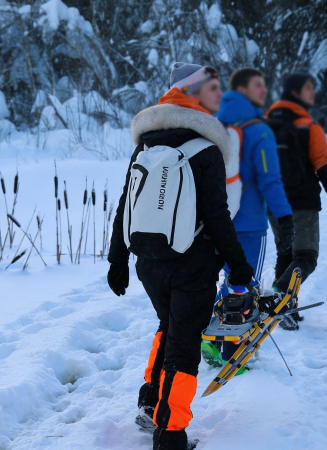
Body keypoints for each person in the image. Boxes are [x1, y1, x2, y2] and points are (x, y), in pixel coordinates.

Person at [107, 62, 255, 450]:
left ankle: (150, 403)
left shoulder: (146, 145)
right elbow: (218, 219)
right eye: (211, 88)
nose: (217, 95)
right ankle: (170, 434)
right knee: (184, 346)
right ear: (192, 92)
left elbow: (125, 206)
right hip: (192, 264)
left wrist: (117, 260)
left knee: (168, 325)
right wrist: (240, 265)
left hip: (147, 263)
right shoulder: (205, 149)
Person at [203, 68, 294, 364]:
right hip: (251, 224)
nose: (264, 90)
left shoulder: (213, 124)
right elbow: (270, 180)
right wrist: (284, 217)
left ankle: (211, 340)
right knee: (244, 284)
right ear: (242, 89)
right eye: (258, 85)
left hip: (217, 221)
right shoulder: (259, 131)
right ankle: (232, 351)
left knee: (227, 282)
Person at [265, 73, 327, 330]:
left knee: (286, 253)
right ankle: (279, 297)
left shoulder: (265, 126)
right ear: (295, 93)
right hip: (302, 203)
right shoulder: (309, 127)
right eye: (308, 89)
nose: (313, 93)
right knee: (306, 256)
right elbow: (325, 168)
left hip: (273, 202)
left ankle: (285, 309)